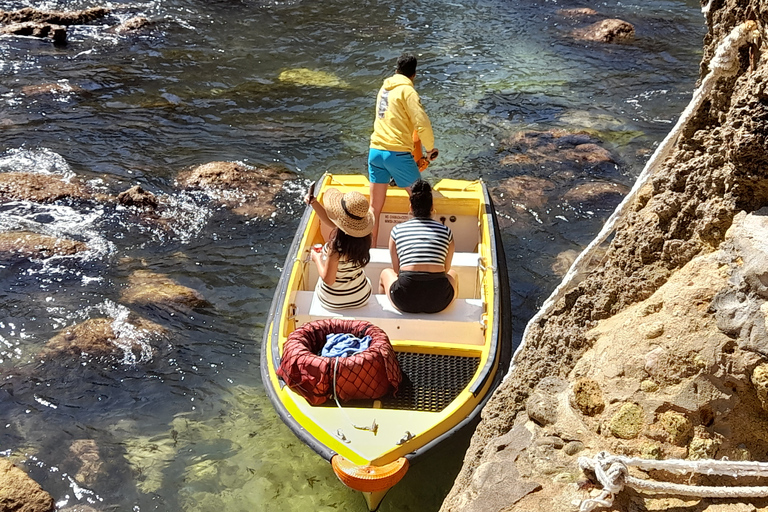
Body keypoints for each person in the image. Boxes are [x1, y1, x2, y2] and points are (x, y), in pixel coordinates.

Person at [368, 53, 439, 245]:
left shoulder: (384, 88)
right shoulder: (408, 92)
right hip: (397, 153)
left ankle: (369, 251)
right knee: (422, 202)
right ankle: (419, 249)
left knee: (374, 208)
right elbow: (421, 122)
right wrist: (430, 148)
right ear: (414, 74)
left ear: (396, 69)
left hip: (375, 152)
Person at [378, 180, 458, 314]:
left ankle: (384, 316)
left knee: (385, 273)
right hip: (438, 301)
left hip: (405, 299)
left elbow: (397, 270)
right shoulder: (446, 231)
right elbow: (446, 269)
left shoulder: (397, 231)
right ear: (432, 207)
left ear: (411, 207)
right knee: (453, 274)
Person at [305, 188, 374, 309]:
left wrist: (317, 259)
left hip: (332, 300)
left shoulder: (335, 248)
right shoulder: (364, 239)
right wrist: (314, 203)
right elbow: (332, 222)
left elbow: (328, 280)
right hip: (361, 297)